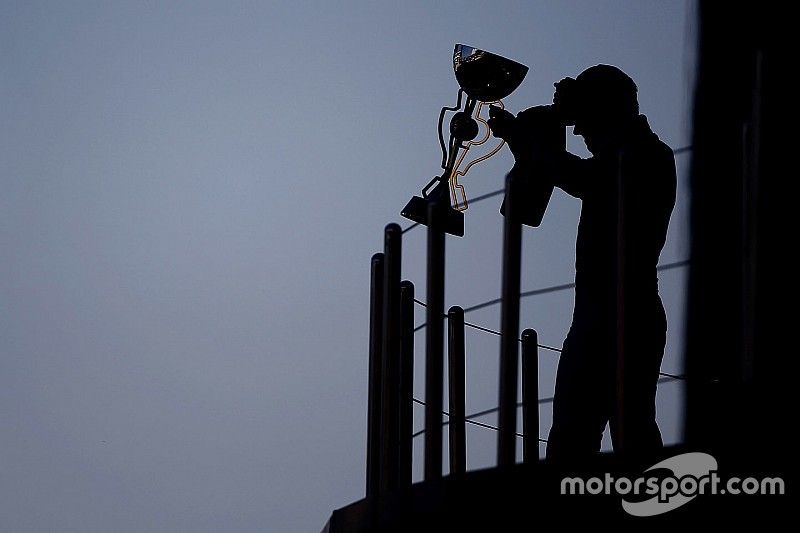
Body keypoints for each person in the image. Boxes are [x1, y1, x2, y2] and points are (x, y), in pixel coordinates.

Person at [488, 65, 677, 465]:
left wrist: (526, 138)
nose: (582, 135)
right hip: (598, 315)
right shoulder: (631, 153)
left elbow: (584, 177)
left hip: (626, 313)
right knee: (574, 440)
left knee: (630, 433)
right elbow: (577, 171)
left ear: (607, 112)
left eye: (585, 124)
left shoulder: (646, 155)